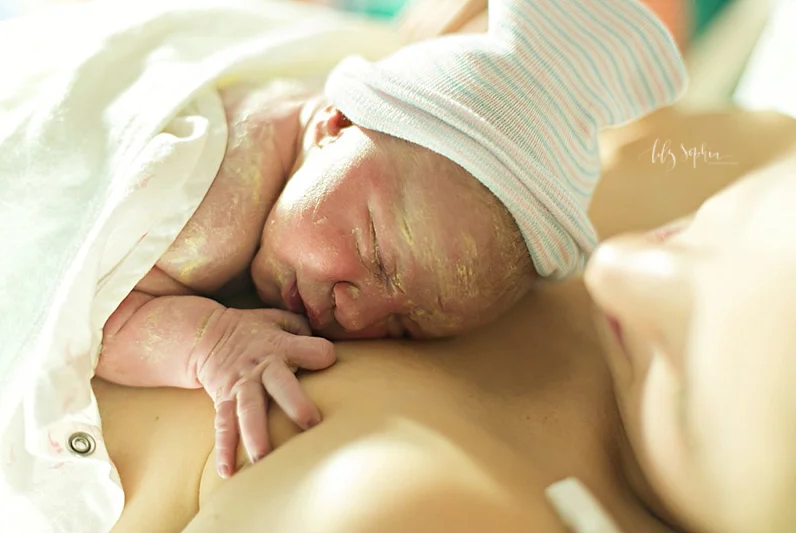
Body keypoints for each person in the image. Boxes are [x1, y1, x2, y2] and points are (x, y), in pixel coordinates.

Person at [93, 107, 796, 533]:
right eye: (696, 229)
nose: (610, 265)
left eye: (682, 381)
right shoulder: (737, 154)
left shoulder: (424, 507)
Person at [94, 0, 686, 479]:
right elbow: (87, 312)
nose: (355, 314)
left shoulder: (323, 156)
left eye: (402, 325)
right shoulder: (204, 218)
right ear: (336, 122)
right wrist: (211, 342)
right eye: (375, 251)